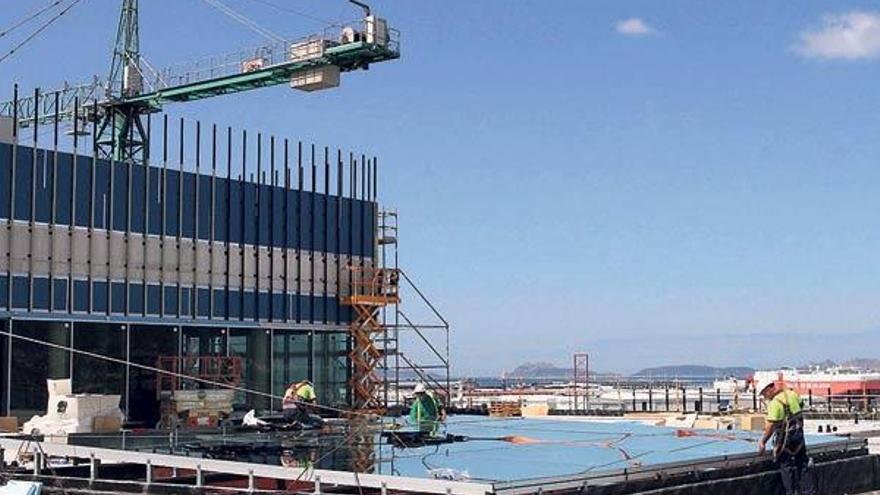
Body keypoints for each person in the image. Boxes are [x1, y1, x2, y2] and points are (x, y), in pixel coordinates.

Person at [757, 381, 815, 495]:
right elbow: (800, 406)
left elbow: (770, 426)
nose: (765, 397)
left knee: (786, 467)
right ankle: (809, 491)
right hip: (798, 434)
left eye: (764, 394)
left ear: (769, 389)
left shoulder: (774, 404)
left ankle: (791, 492)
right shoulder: (791, 394)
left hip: (784, 439)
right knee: (802, 463)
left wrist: (763, 442)